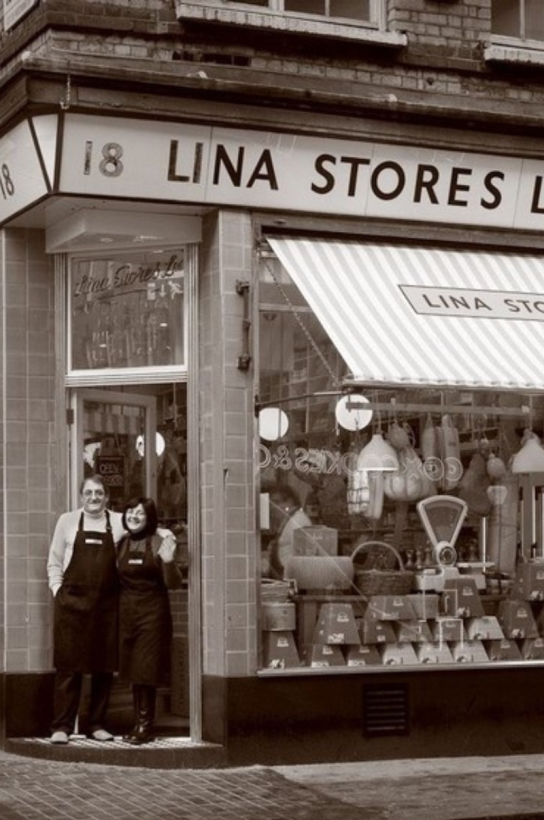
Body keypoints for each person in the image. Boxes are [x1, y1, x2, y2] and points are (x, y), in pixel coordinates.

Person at [47, 474, 126, 745]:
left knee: (103, 668)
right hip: (71, 605)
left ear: (107, 497)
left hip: (106, 606)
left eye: (99, 493)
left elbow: (144, 525)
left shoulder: (118, 521)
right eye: (89, 493)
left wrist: (164, 532)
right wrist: (58, 591)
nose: (94, 498)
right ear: (81, 496)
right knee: (68, 667)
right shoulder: (67, 521)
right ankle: (62, 726)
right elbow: (54, 560)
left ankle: (97, 725)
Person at [118, 496, 183, 745]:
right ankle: (138, 723)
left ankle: (145, 726)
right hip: (127, 614)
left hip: (153, 614)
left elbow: (174, 583)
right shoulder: (122, 543)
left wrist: (169, 562)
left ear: (149, 518)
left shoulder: (159, 541)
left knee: (146, 669)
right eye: (130, 511)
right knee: (134, 670)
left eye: (140, 513)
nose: (133, 516)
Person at [265, 486, 312, 579]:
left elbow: (302, 558)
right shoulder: (289, 520)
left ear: (290, 502)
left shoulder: (298, 521)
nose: (272, 507)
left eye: (276, 502)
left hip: (290, 578)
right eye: (271, 503)